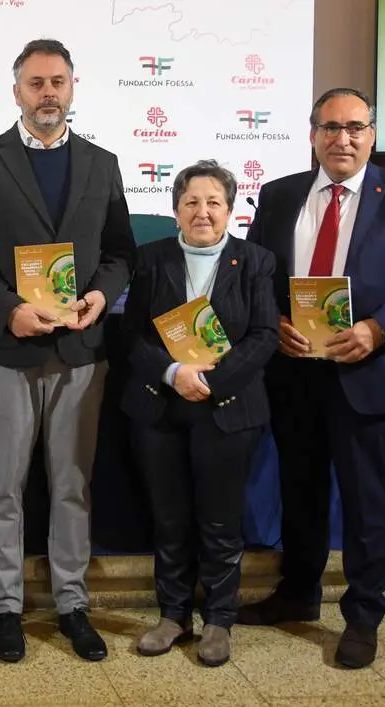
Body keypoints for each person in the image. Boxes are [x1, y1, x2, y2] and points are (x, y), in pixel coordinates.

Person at [238, 88, 385, 669]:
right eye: (330, 127)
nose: (343, 139)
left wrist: (379, 330)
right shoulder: (280, 194)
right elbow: (255, 275)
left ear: (372, 135)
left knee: (366, 500)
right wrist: (272, 322)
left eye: (355, 127)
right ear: (313, 135)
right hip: (295, 372)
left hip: (369, 372)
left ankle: (363, 614)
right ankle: (297, 593)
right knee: (299, 490)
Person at [0, 38, 135, 663]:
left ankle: (72, 605)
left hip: (81, 350)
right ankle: (6, 609)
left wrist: (101, 296)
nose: (47, 93)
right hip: (8, 349)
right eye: (36, 83)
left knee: (72, 486)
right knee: (3, 487)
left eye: (57, 81)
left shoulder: (103, 164)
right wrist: (9, 309)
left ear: (73, 88)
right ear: (16, 92)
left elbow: (120, 252)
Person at [119, 160, 278, 667]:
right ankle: (173, 615)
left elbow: (265, 335)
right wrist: (173, 374)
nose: (202, 212)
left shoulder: (255, 261)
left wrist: (210, 381)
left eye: (213, 202)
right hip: (160, 408)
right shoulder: (151, 259)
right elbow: (132, 334)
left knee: (220, 520)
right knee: (169, 519)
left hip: (227, 409)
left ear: (230, 210)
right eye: (191, 202)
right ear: (175, 210)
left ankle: (219, 620)